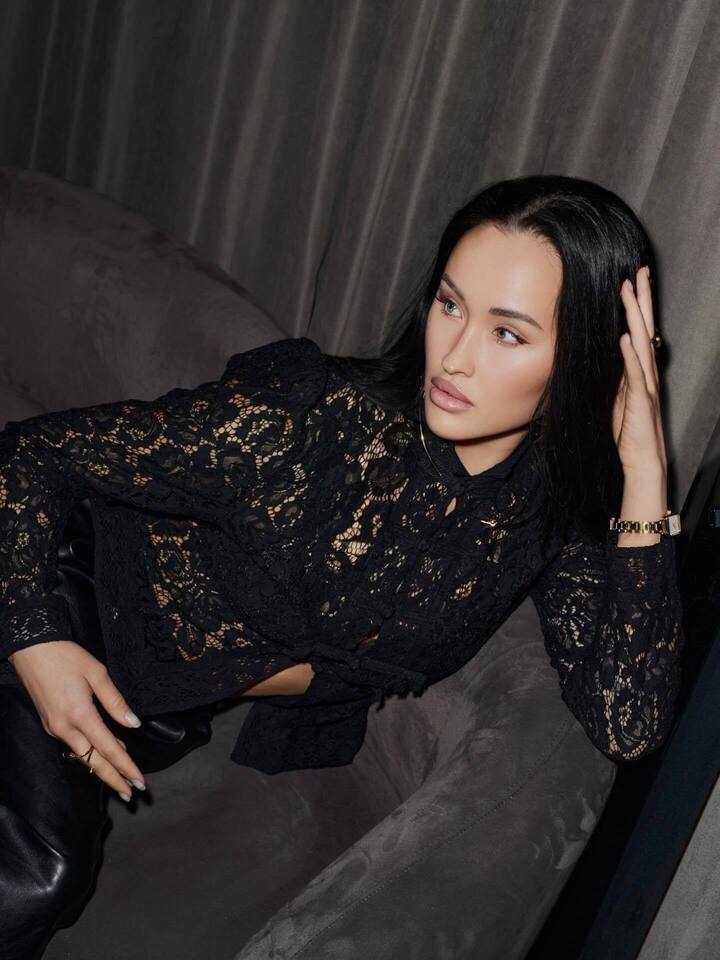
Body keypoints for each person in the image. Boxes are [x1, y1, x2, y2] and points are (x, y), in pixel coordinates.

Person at [0, 174, 686, 955]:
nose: (454, 357)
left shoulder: (547, 515)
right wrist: (37, 639)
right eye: (450, 304)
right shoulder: (311, 416)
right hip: (50, 592)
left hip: (142, 707)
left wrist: (644, 469)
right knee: (40, 874)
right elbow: (31, 454)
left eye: (507, 333)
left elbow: (627, 723)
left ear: (587, 361)